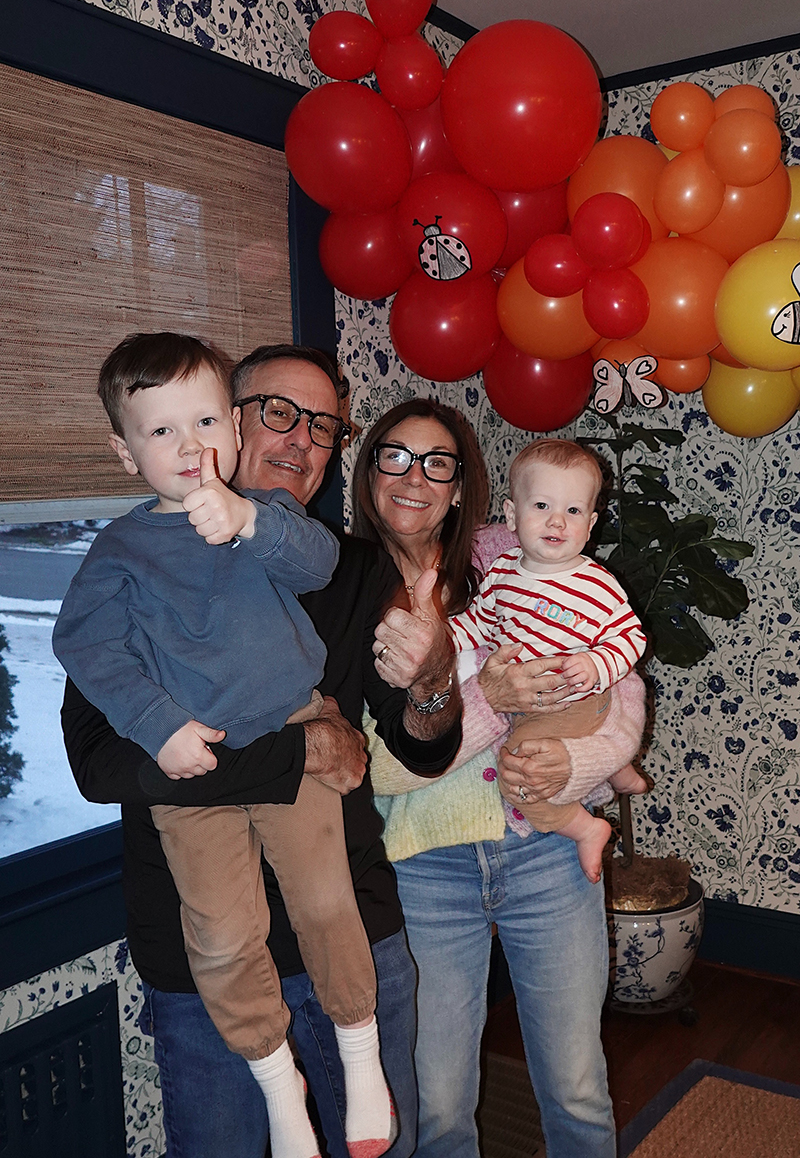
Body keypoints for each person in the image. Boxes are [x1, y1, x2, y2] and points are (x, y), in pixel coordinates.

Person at [60, 346, 462, 1158]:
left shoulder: (353, 568)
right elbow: (101, 763)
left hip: (352, 922)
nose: (301, 440)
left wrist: (434, 678)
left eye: (323, 425)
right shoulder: (133, 565)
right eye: (278, 410)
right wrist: (301, 749)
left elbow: (423, 748)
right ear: (236, 424)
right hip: (199, 957)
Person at [351, 398, 648, 1158]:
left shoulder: (502, 556)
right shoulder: (341, 589)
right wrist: (490, 695)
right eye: (395, 456)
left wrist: (578, 766)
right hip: (428, 867)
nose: (415, 477)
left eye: (438, 462)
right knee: (441, 1102)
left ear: (463, 486)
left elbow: (624, 692)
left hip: (547, 856)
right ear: (366, 471)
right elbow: (380, 765)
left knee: (577, 1086)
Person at [450, 437, 648, 884]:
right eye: (541, 505)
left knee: (518, 777)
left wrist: (599, 664)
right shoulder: (501, 571)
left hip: (573, 699)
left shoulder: (596, 583)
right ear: (511, 513)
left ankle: (586, 828)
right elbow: (478, 624)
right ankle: (618, 770)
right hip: (527, 702)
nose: (557, 520)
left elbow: (630, 638)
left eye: (573, 511)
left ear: (591, 523)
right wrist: (444, 641)